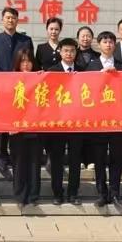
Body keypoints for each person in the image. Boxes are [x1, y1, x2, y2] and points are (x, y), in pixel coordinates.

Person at [84, 30, 122, 206]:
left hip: (118, 121)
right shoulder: (91, 66)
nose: (108, 44)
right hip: (99, 121)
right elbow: (85, 90)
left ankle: (115, 193)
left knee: (117, 158)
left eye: (111, 41)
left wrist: (118, 75)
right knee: (99, 159)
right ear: (99, 44)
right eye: (104, 41)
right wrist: (100, 75)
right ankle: (102, 193)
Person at [0, 6, 33, 179]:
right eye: (7, 17)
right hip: (2, 87)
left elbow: (30, 61)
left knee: (18, 121)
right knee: (2, 122)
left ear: (17, 20)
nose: (10, 20)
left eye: (13, 18)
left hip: (21, 88)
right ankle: (1, 154)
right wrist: (4, 78)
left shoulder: (25, 40)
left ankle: (16, 154)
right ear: (2, 20)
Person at [46, 37, 81, 204]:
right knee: (57, 160)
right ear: (60, 52)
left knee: (75, 160)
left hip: (77, 123)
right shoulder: (51, 71)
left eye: (72, 51)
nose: (69, 54)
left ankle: (73, 193)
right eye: (66, 50)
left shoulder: (82, 71)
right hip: (58, 123)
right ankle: (57, 193)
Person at [10, 47, 43, 206]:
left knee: (34, 163)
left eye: (29, 61)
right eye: (22, 61)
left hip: (36, 128)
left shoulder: (40, 77)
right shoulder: (10, 79)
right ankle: (20, 195)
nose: (26, 64)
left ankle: (33, 196)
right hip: (17, 128)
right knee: (19, 163)